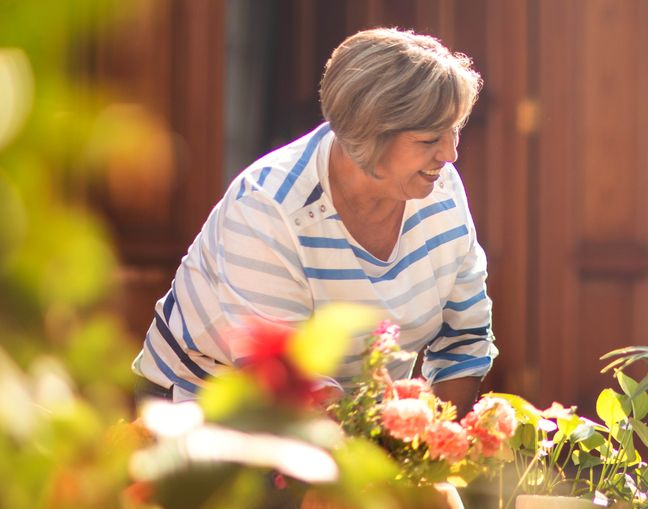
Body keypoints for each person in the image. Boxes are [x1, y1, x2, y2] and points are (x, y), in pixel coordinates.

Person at [133, 28, 497, 414]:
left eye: (454, 130)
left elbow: (464, 337)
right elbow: (288, 380)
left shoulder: (441, 189)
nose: (451, 154)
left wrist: (436, 446)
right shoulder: (266, 207)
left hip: (358, 424)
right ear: (367, 134)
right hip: (207, 413)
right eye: (428, 140)